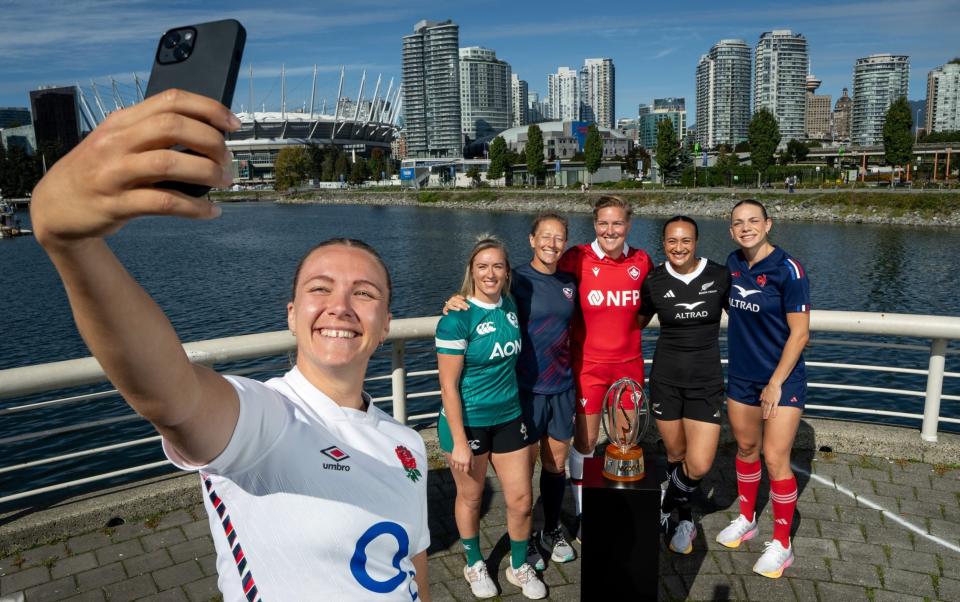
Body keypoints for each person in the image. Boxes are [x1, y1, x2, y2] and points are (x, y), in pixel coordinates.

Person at [29, 90, 431, 601]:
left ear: (386, 323)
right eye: (320, 288)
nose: (341, 306)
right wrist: (75, 246)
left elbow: (412, 566)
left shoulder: (408, 445)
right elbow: (172, 396)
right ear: (292, 315)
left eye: (365, 293)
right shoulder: (269, 420)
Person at [443, 214, 578, 571]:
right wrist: (453, 301)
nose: (552, 243)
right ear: (532, 239)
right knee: (520, 481)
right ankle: (525, 539)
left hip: (561, 387)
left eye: (559, 237)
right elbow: (479, 295)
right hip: (522, 393)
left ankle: (551, 529)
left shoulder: (569, 281)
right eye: (545, 236)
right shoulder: (514, 279)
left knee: (556, 465)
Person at [435, 236, 547, 600]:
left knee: (521, 499)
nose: (490, 273)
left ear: (507, 272)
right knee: (471, 497)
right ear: (471, 270)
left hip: (509, 416)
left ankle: (518, 566)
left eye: (498, 265)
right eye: (482, 266)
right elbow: (449, 387)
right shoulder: (456, 319)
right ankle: (474, 562)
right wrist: (460, 442)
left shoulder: (510, 304)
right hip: (468, 421)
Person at [716, 199, 811, 579]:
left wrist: (775, 382)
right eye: (738, 223)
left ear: (768, 224)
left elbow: (800, 332)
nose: (746, 228)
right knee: (746, 448)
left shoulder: (789, 270)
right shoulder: (733, 264)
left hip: (781, 380)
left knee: (775, 458)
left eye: (753, 221)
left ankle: (783, 543)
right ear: (731, 230)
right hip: (742, 376)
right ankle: (746, 517)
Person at [557, 195, 653, 542]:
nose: (609, 230)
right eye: (602, 223)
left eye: (617, 223)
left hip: (628, 367)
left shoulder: (642, 261)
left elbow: (648, 307)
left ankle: (620, 504)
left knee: (624, 443)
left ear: (628, 225)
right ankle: (584, 512)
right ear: (594, 224)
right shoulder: (576, 258)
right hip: (589, 368)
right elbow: (536, 282)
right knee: (585, 442)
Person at [637, 216, 730, 555]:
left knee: (700, 463)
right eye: (672, 241)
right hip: (666, 381)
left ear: (697, 241)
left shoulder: (720, 276)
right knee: (675, 455)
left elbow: (751, 313)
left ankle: (664, 506)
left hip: (706, 384)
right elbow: (634, 321)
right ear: (663, 243)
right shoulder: (654, 280)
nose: (679, 247)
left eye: (686, 240)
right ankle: (685, 517)